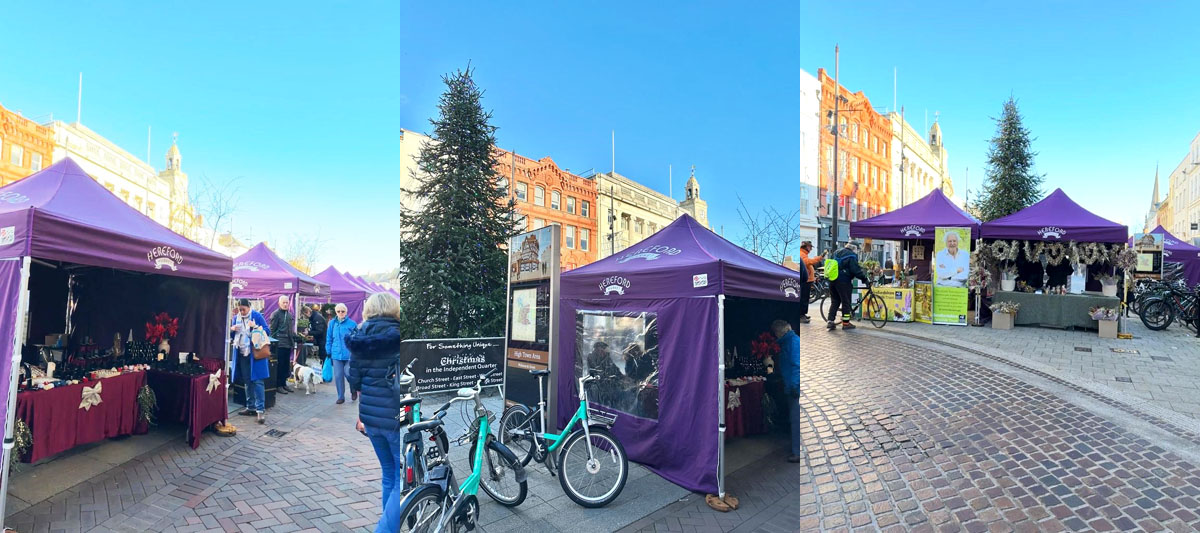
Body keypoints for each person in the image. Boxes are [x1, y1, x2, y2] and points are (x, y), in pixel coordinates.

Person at [345, 293, 407, 528]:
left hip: (371, 418)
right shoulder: (398, 335)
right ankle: (385, 527)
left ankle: (389, 523)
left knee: (389, 473)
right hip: (394, 415)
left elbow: (355, 380)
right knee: (399, 478)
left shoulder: (359, 336)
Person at [230, 299, 271, 424]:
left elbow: (267, 331)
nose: (242, 312)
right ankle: (251, 406)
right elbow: (231, 337)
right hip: (242, 353)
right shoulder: (235, 318)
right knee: (247, 381)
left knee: (258, 381)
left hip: (255, 353)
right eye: (240, 309)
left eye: (244, 309)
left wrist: (255, 327)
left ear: (249, 307)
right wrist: (232, 329)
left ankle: (260, 410)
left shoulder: (257, 316)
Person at [771, 319, 801, 463]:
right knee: (794, 418)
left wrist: (794, 386)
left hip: (793, 386)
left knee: (795, 419)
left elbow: (797, 365)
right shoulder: (788, 342)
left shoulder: (792, 343)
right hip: (790, 385)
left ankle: (797, 452)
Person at [827, 243, 870, 330]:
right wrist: (864, 279)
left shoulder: (836, 252)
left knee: (835, 301)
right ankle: (846, 323)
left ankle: (830, 321)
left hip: (832, 279)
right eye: (857, 249)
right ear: (854, 248)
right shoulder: (851, 255)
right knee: (846, 302)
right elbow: (855, 270)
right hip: (844, 281)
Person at [269, 296, 304, 394]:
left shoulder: (289, 315)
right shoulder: (275, 314)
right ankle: (278, 385)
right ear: (279, 303)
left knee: (285, 366)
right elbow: (272, 330)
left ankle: (284, 384)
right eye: (283, 302)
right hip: (279, 344)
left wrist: (297, 337)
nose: (285, 304)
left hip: (288, 344)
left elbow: (290, 331)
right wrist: (273, 344)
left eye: (287, 302)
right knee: (279, 366)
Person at [326, 303, 358, 404]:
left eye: (342, 311)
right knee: (338, 376)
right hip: (336, 354)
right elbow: (329, 338)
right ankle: (341, 396)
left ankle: (353, 389)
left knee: (348, 374)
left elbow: (357, 339)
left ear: (346, 312)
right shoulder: (332, 323)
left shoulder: (352, 324)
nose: (340, 313)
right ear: (336, 312)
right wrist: (328, 350)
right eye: (338, 311)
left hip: (349, 354)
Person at [797, 241, 824, 322]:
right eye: (810, 247)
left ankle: (803, 314)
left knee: (805, 298)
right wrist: (819, 258)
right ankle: (801, 315)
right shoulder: (802, 254)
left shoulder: (804, 254)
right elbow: (808, 262)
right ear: (806, 247)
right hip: (805, 280)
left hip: (807, 280)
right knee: (803, 298)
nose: (811, 249)